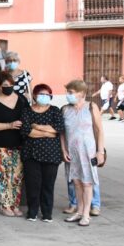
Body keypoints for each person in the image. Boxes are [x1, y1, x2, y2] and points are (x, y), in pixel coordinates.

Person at [62, 80, 105, 227]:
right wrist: (63, 150)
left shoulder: (91, 107)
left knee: (87, 183)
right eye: (67, 92)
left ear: (81, 93)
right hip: (72, 152)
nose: (68, 95)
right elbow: (62, 133)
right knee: (76, 182)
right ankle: (79, 212)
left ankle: (86, 214)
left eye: (71, 92)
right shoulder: (65, 109)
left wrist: (100, 152)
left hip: (88, 152)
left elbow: (99, 130)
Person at [20, 84, 64, 222]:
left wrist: (37, 126)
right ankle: (32, 212)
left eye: (47, 94)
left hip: (52, 155)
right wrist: (48, 131)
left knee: (48, 185)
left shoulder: (55, 110)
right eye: (41, 94)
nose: (45, 97)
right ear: (34, 95)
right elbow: (27, 132)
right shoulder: (27, 111)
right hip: (31, 154)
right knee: (33, 185)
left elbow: (58, 129)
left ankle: (47, 213)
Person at [0, 73, 27, 217]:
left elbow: (29, 118)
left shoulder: (21, 99)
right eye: (5, 85)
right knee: (3, 176)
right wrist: (9, 125)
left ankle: (15, 205)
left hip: (19, 144)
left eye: (11, 85)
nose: (8, 87)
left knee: (17, 176)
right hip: (1, 145)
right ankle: (5, 205)